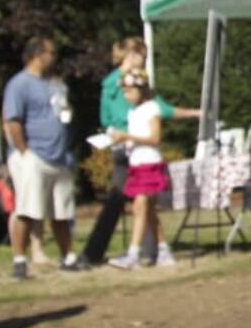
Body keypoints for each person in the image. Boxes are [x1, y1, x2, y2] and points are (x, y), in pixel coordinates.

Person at [79, 37, 198, 267]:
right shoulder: (125, 85)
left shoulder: (136, 86)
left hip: (136, 150)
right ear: (131, 55)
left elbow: (159, 110)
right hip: (127, 148)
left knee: (141, 203)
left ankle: (146, 251)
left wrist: (193, 113)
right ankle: (139, 251)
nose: (143, 60)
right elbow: (161, 110)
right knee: (127, 200)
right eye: (142, 54)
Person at [2, 36, 80, 279]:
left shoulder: (52, 84)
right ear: (39, 55)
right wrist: (24, 151)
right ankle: (19, 261)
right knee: (28, 209)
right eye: (52, 53)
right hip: (33, 155)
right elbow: (12, 121)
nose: (54, 58)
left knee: (61, 210)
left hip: (59, 156)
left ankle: (68, 256)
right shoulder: (20, 84)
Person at [107, 68, 175, 269]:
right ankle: (163, 251)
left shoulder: (151, 108)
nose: (126, 95)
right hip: (137, 164)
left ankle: (133, 254)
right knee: (147, 210)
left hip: (149, 163)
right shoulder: (133, 112)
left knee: (140, 207)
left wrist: (128, 137)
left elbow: (155, 138)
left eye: (129, 91)